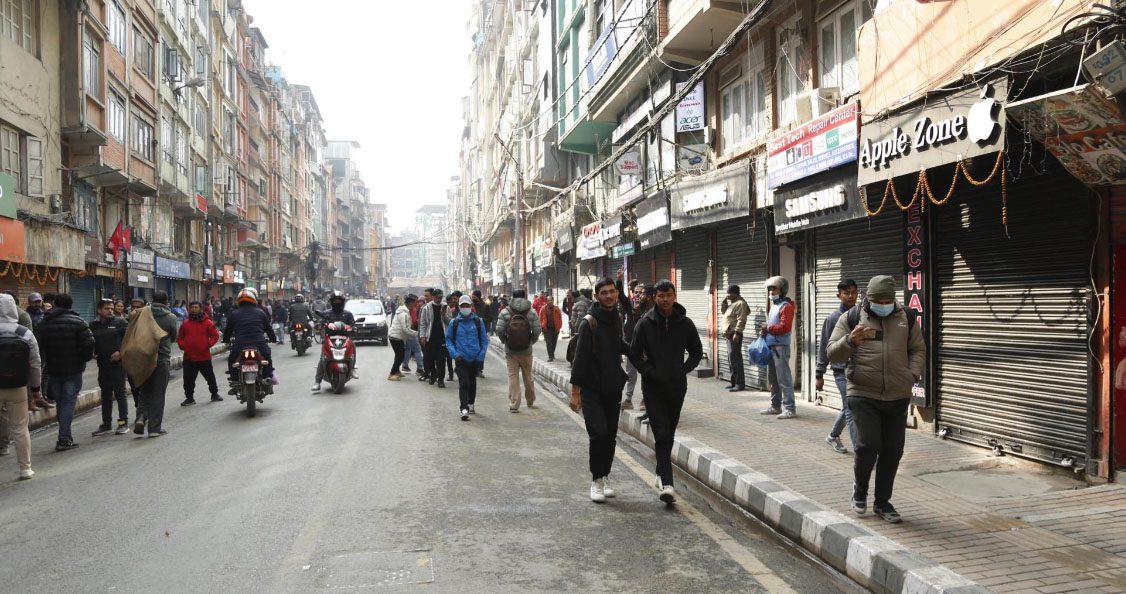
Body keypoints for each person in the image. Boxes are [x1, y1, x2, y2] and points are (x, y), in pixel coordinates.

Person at [828, 275, 925, 524]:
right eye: (878, 301)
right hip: (863, 393)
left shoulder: (906, 317)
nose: (883, 305)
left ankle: (882, 502)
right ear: (868, 299)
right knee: (868, 445)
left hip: (897, 394)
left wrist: (912, 374)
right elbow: (832, 353)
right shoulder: (851, 317)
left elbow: (917, 348)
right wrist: (850, 341)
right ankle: (860, 490)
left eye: (887, 301)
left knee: (893, 450)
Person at [629, 280, 703, 504]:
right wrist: (649, 372)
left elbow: (696, 351)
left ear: (674, 296)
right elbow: (634, 355)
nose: (665, 299)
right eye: (661, 296)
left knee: (668, 433)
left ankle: (660, 472)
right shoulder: (645, 324)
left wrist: (683, 369)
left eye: (668, 295)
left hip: (677, 387)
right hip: (653, 388)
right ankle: (668, 484)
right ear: (654, 298)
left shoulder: (685, 324)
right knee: (661, 434)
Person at [569, 278, 629, 503]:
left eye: (612, 291)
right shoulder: (589, 323)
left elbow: (619, 344)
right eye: (604, 292)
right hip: (591, 389)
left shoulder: (616, 317)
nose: (609, 296)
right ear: (596, 296)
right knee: (599, 434)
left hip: (612, 387)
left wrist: (640, 353)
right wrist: (575, 393)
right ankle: (596, 480)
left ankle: (605, 475)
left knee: (611, 436)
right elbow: (579, 361)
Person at [34, 293, 95, 450]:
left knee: (61, 401)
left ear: (55, 304)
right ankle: (64, 438)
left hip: (53, 369)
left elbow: (37, 347)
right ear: (71, 305)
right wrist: (83, 359)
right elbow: (89, 344)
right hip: (73, 369)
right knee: (68, 402)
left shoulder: (44, 323)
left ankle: (64, 435)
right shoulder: (78, 322)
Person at [0, 293, 40, 479]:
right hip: (18, 387)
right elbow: (35, 363)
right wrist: (36, 388)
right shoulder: (24, 333)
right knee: (20, 428)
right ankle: (25, 468)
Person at [818, 280, 859, 454]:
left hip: (859, 370)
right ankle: (860, 451)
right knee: (851, 409)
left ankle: (833, 436)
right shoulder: (833, 319)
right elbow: (824, 347)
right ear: (839, 295)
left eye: (853, 292)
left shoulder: (861, 315)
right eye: (846, 293)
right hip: (841, 371)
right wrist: (819, 374)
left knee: (849, 406)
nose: (850, 296)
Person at [134, 291, 178, 438]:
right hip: (161, 359)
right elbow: (174, 337)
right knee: (158, 394)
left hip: (143, 358)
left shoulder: (142, 314)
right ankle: (154, 428)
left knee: (144, 391)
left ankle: (141, 417)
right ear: (166, 301)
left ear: (152, 300)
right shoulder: (170, 317)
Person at [224, 288, 277, 394]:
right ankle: (267, 377)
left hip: (240, 344)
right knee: (267, 358)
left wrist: (226, 340)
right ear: (254, 300)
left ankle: (235, 381)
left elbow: (228, 330)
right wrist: (273, 338)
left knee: (232, 360)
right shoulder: (261, 312)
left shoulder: (234, 314)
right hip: (259, 343)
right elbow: (268, 328)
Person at [90, 299, 130, 436]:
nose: (110, 311)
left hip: (117, 365)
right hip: (102, 364)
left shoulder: (120, 322)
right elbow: (90, 341)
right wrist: (92, 352)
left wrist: (121, 352)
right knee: (106, 395)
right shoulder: (93, 325)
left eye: (112, 308)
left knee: (120, 394)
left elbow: (129, 339)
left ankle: (123, 423)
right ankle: (106, 424)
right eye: (107, 308)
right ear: (99, 310)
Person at [759, 276, 797, 419]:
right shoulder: (775, 305)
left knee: (784, 379)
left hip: (780, 347)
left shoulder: (786, 306)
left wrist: (768, 328)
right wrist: (765, 331)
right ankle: (775, 406)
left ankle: (790, 408)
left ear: (782, 290)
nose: (771, 292)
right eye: (770, 289)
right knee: (773, 379)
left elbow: (785, 327)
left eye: (774, 289)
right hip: (771, 346)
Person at [496, 289, 540, 412]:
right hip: (526, 351)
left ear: (513, 297)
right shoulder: (531, 312)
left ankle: (514, 404)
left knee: (513, 376)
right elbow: (537, 330)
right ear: (524, 297)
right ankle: (530, 400)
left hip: (511, 351)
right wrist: (531, 341)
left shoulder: (505, 311)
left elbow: (499, 330)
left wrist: (505, 341)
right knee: (528, 376)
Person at [446, 295, 488, 421]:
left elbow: (484, 341)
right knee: (463, 383)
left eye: (467, 305)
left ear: (471, 306)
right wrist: (455, 355)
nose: (465, 308)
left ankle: (471, 403)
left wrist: (480, 356)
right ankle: (463, 408)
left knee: (472, 382)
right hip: (461, 359)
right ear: (459, 307)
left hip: (475, 359)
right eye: (463, 306)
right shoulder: (454, 323)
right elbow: (449, 341)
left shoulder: (478, 322)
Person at [178, 301, 221, 406]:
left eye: (196, 307)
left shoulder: (208, 323)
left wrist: (208, 344)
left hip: (204, 356)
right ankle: (189, 398)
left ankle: (214, 394)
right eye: (192, 307)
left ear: (201, 309)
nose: (193, 309)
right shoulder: (185, 323)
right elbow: (180, 337)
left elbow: (215, 336)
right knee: (188, 380)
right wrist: (183, 345)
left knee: (210, 377)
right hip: (189, 357)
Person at [619, 279, 653, 412]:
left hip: (644, 349)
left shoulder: (648, 310)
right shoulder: (629, 307)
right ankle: (628, 399)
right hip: (631, 347)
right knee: (630, 374)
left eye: (642, 293)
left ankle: (645, 400)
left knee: (646, 374)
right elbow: (622, 299)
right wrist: (619, 281)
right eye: (637, 292)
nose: (639, 295)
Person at [311, 291, 355, 391]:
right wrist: (319, 325)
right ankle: (317, 381)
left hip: (345, 338)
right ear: (331, 302)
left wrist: (354, 328)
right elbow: (321, 322)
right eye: (335, 300)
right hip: (330, 338)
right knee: (323, 357)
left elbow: (352, 324)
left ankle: (352, 369)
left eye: (339, 300)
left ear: (342, 302)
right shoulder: (326, 313)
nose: (337, 302)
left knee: (353, 346)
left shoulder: (348, 314)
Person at [720, 285, 751, 392]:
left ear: (735, 293)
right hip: (729, 335)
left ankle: (739, 384)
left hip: (735, 335)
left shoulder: (740, 304)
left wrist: (737, 333)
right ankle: (734, 383)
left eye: (729, 293)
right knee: (731, 360)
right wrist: (724, 302)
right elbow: (725, 313)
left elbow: (741, 320)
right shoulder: (733, 304)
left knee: (736, 360)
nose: (728, 295)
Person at [419, 289, 448, 388]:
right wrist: (422, 336)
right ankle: (433, 375)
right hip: (430, 338)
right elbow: (423, 323)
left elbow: (450, 321)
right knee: (429, 359)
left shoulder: (446, 307)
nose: (439, 299)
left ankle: (441, 380)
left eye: (440, 297)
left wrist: (444, 315)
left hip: (442, 338)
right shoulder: (426, 308)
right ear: (433, 297)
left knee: (441, 361)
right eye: (437, 297)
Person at [387, 294, 418, 381]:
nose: (415, 305)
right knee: (400, 356)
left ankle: (397, 371)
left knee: (400, 355)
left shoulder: (405, 312)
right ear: (410, 303)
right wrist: (417, 334)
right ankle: (392, 373)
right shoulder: (403, 313)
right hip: (395, 337)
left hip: (399, 337)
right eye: (414, 303)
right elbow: (406, 329)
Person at [404, 292, 426, 377]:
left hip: (406, 332)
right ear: (412, 302)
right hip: (411, 332)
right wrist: (419, 321)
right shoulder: (412, 309)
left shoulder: (404, 308)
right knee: (417, 350)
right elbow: (413, 322)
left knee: (407, 348)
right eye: (416, 301)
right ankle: (420, 368)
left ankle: (405, 365)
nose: (417, 303)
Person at [539, 293, 563, 362]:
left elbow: (560, 318)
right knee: (549, 343)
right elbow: (540, 318)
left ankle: (552, 353)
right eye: (548, 300)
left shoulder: (557, 309)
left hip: (555, 328)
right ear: (546, 301)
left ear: (553, 301)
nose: (550, 302)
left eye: (551, 300)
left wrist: (559, 326)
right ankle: (550, 356)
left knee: (554, 342)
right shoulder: (543, 309)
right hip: (547, 329)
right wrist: (542, 326)